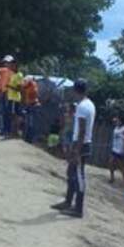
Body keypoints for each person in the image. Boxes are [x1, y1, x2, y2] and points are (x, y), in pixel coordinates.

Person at [51, 79, 95, 218]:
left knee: (79, 176)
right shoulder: (89, 104)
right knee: (71, 173)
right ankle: (68, 202)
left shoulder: (82, 107)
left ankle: (78, 208)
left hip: (81, 145)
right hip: (81, 143)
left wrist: (76, 150)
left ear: (75, 90)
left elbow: (82, 130)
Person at [109, 116, 124, 187]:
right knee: (111, 162)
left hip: (120, 150)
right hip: (114, 148)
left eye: (118, 120)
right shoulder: (115, 128)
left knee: (121, 166)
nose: (116, 121)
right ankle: (112, 178)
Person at [5, 58, 24, 137]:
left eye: (12, 65)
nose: (11, 66)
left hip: (15, 98)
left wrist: (9, 86)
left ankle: (16, 131)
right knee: (11, 115)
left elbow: (19, 89)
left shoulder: (19, 75)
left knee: (15, 115)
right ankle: (13, 131)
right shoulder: (13, 75)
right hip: (10, 97)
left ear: (16, 66)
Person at [22, 76, 40, 143]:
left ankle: (30, 139)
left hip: (33, 105)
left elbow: (31, 96)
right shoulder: (30, 86)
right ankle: (27, 138)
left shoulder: (32, 86)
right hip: (29, 105)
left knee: (31, 123)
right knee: (28, 122)